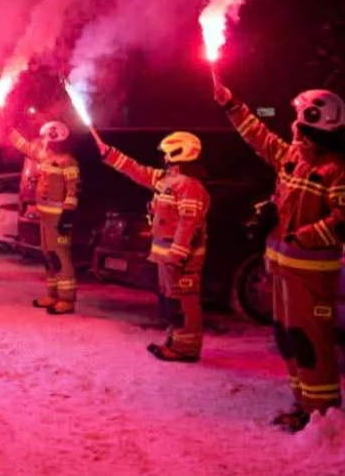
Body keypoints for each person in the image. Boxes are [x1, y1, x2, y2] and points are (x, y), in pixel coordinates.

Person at [216, 83, 345, 431]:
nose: (291, 125)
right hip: (283, 270)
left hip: (312, 275)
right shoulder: (293, 157)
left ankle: (323, 414)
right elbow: (259, 136)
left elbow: (341, 221)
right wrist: (232, 104)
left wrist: (300, 235)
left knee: (312, 342)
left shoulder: (336, 169)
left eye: (298, 117)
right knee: (289, 339)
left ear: (313, 120)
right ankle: (304, 406)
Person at [99, 132, 210, 362]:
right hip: (166, 256)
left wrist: (177, 257)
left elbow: (189, 224)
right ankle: (175, 341)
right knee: (170, 300)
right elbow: (137, 170)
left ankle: (186, 348)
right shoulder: (168, 179)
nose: (162, 159)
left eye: (165, 154)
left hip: (181, 259)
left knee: (183, 301)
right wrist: (110, 154)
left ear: (177, 152)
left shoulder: (189, 186)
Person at [8, 120, 81, 315]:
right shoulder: (45, 157)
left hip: (60, 220)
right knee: (48, 255)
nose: (45, 143)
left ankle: (67, 299)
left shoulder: (69, 162)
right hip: (45, 218)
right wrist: (10, 130)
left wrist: (67, 216)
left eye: (49, 140)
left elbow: (74, 191)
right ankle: (53, 294)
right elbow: (25, 146)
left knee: (61, 256)